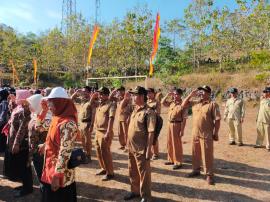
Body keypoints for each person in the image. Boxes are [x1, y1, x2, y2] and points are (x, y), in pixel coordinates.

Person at [40, 87, 78, 202]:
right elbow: (40, 127)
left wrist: (57, 176)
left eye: (51, 104)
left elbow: (64, 151)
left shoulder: (68, 124)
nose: (49, 107)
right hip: (50, 168)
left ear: (59, 103)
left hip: (60, 175)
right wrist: (44, 111)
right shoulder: (56, 118)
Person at [182, 85, 221, 185]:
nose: (201, 93)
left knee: (207, 155)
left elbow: (217, 119)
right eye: (200, 91)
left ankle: (209, 175)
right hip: (195, 133)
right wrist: (191, 94)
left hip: (206, 134)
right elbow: (183, 105)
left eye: (203, 91)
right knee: (195, 153)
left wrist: (215, 132)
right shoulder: (195, 102)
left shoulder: (213, 104)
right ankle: (196, 170)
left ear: (208, 93)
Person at [124, 86, 156, 202]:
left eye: (135, 95)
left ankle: (146, 197)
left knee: (144, 174)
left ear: (142, 96)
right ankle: (135, 191)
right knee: (132, 171)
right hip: (132, 147)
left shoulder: (149, 112)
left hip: (142, 149)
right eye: (132, 94)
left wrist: (148, 150)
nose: (132, 96)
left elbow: (151, 132)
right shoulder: (135, 109)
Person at [4, 89, 33, 197]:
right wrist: (11, 101)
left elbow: (23, 129)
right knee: (21, 165)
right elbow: (12, 112)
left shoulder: (25, 110)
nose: (15, 98)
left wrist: (16, 144)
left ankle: (27, 188)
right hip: (15, 142)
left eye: (17, 96)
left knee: (23, 166)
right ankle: (25, 185)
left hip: (21, 144)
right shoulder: (19, 108)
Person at [27, 94, 52, 182]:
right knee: (39, 174)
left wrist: (44, 111)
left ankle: (46, 193)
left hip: (41, 151)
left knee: (42, 175)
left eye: (31, 104)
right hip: (35, 149)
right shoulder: (34, 115)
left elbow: (39, 128)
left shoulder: (47, 119)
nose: (29, 106)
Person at [161, 88, 187, 169]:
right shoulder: (172, 103)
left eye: (176, 94)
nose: (175, 96)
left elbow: (184, 119)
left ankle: (178, 162)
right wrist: (168, 95)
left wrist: (182, 130)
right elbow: (162, 102)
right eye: (174, 94)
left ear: (180, 95)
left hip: (177, 125)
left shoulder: (183, 104)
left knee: (176, 144)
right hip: (169, 124)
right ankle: (171, 159)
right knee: (169, 143)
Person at [94, 87, 116, 181]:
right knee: (98, 152)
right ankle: (103, 168)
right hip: (98, 131)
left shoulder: (111, 105)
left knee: (105, 153)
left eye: (102, 94)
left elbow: (111, 118)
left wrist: (108, 132)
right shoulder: (100, 104)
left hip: (105, 132)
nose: (99, 95)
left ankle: (110, 172)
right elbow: (91, 103)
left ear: (107, 95)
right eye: (99, 94)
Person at [72, 86, 96, 163]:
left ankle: (88, 156)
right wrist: (75, 93)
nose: (83, 92)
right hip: (81, 124)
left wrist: (92, 126)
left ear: (89, 92)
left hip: (87, 124)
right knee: (82, 141)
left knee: (87, 142)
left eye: (85, 91)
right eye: (82, 91)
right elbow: (71, 100)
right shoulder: (82, 100)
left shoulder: (92, 101)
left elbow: (93, 114)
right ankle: (85, 155)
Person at [110, 86, 132, 150]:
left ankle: (128, 146)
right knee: (120, 133)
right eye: (118, 91)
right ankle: (123, 145)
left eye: (120, 90)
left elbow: (131, 110)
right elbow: (110, 98)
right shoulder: (118, 98)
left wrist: (129, 118)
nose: (118, 92)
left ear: (123, 91)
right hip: (119, 117)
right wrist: (114, 91)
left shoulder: (128, 99)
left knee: (126, 133)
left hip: (126, 118)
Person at [146, 88, 161, 160]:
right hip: (146, 121)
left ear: (153, 94)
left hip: (154, 121)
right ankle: (150, 152)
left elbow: (158, 112)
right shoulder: (146, 102)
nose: (148, 94)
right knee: (147, 137)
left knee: (154, 137)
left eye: (150, 93)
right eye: (147, 93)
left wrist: (150, 110)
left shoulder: (156, 102)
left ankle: (155, 153)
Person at [254, 87, 270, 151]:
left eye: (266, 92)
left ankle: (268, 145)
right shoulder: (262, 100)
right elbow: (259, 109)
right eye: (264, 92)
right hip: (260, 119)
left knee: (268, 133)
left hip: (267, 119)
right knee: (259, 132)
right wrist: (257, 117)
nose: (264, 93)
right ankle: (258, 144)